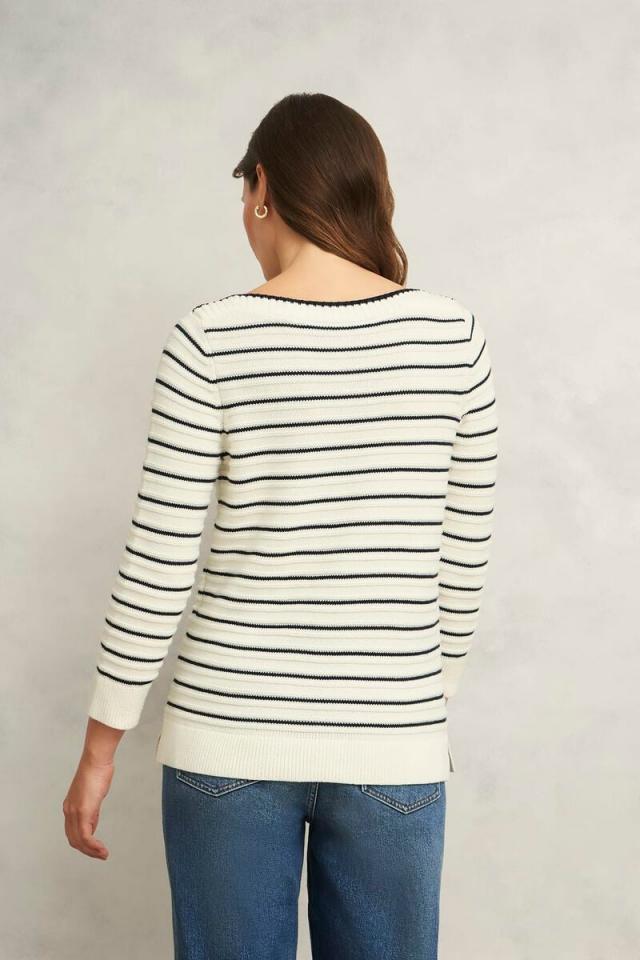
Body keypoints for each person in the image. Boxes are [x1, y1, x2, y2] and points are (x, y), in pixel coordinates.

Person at [63, 92, 498, 960]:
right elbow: (462, 564)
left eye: (244, 197)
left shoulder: (209, 339)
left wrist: (101, 747)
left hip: (227, 741)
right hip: (394, 742)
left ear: (262, 188)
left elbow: (157, 564)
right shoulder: (456, 338)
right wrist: (408, 701)